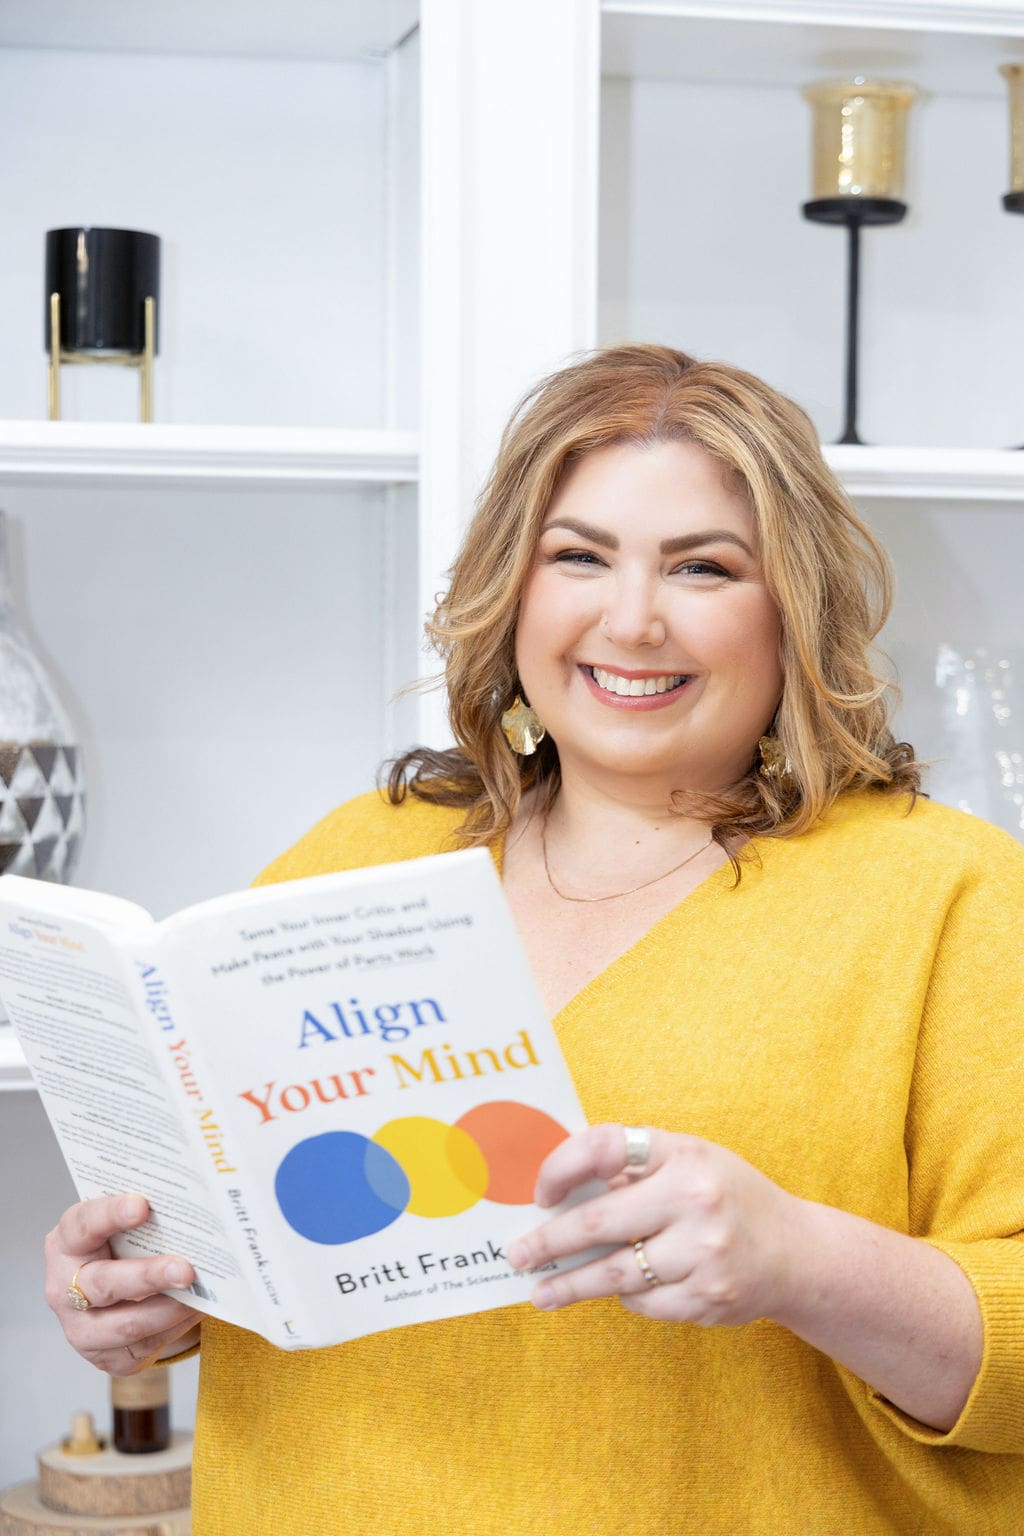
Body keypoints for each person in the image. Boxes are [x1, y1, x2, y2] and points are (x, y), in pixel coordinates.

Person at [44, 345, 1024, 1533]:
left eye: (703, 567)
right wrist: (140, 1293)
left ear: (793, 611)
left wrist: (800, 1259)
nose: (633, 619)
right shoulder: (353, 857)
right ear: (512, 587)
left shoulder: (951, 898)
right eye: (578, 555)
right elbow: (261, 1239)